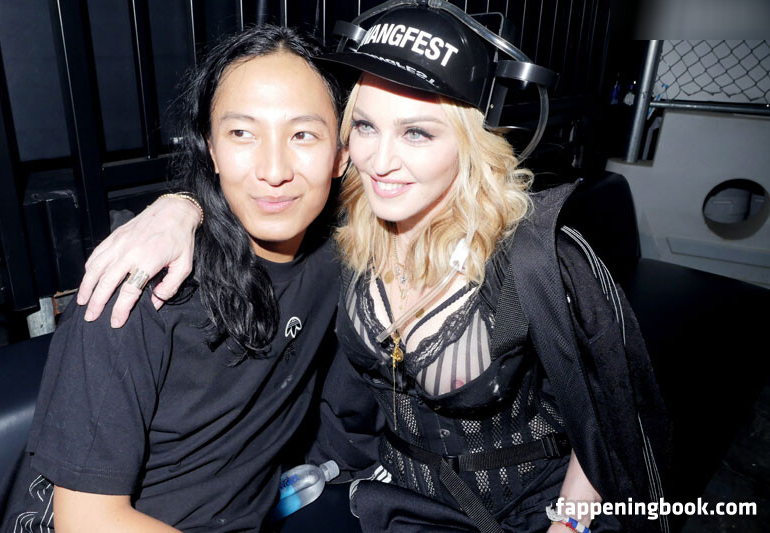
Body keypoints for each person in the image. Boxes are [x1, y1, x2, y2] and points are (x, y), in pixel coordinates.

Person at [74, 6, 671, 533]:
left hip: (536, 506)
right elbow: (263, 178)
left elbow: (608, 415)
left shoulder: (533, 256)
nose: (381, 161)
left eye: (417, 132)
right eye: (365, 126)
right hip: (403, 503)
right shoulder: (348, 235)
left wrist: (570, 523)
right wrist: (178, 205)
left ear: (470, 142)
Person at [0, 25, 349, 533]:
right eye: (242, 134)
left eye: (303, 134)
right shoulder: (140, 293)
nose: (273, 170)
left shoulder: (341, 253)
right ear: (211, 149)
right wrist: (182, 204)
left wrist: (183, 204)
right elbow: (87, 520)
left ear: (341, 155)